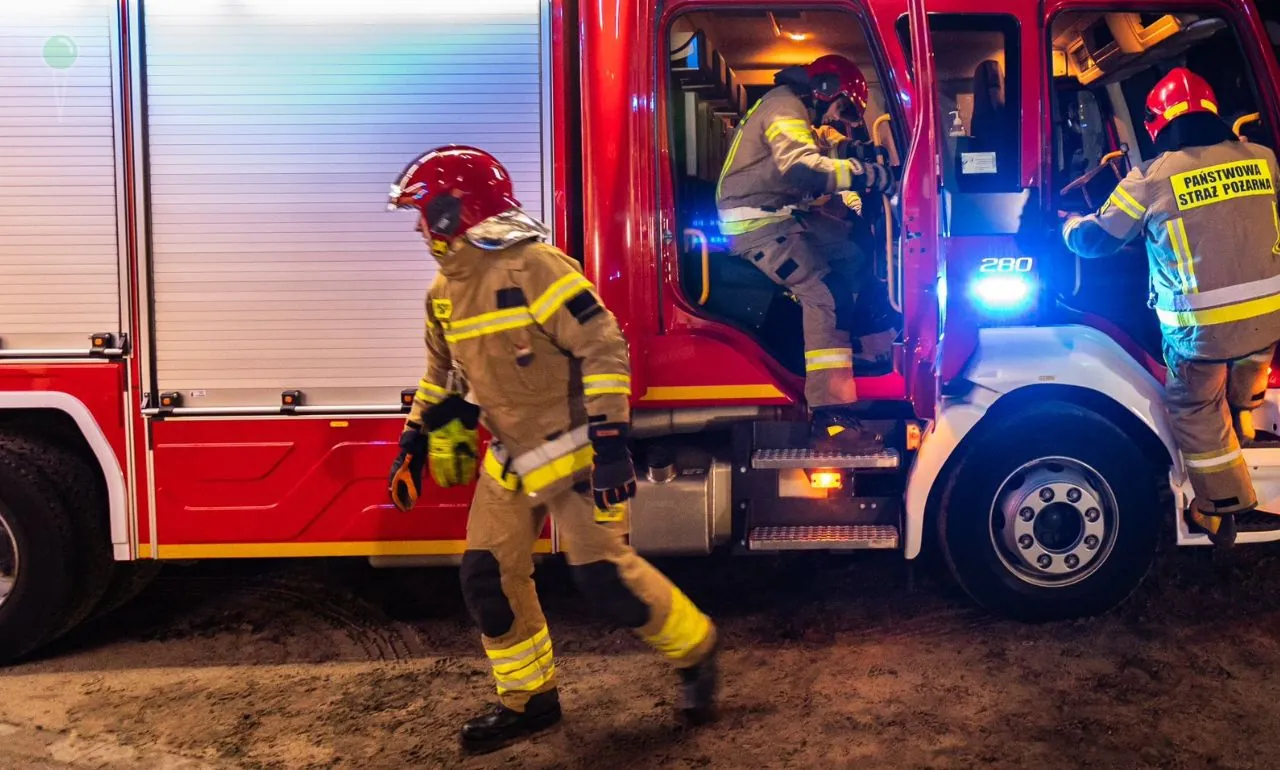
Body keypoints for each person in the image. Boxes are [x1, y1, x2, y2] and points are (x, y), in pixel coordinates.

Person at [384, 145, 718, 754]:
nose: (417, 225)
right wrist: (413, 437)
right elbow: (442, 377)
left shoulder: (535, 268)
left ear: (455, 211)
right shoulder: (443, 291)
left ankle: (698, 651)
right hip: (508, 461)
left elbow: (603, 347)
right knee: (487, 577)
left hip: (575, 456)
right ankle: (529, 700)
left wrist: (612, 438)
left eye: (423, 210)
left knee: (605, 583)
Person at [1062, 67, 1280, 548]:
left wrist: (1069, 224)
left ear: (1157, 124)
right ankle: (1245, 414)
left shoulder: (1151, 178)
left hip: (1202, 333)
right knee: (1249, 359)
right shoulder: (1264, 160)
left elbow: (1096, 242)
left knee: (1195, 404)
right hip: (1269, 322)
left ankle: (1220, 508)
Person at [716, 54, 894, 451]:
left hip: (779, 216)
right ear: (825, 89)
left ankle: (859, 344)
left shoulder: (791, 107)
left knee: (851, 252)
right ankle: (831, 418)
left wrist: (864, 156)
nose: (838, 116)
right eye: (842, 106)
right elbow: (803, 169)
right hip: (758, 228)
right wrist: (870, 176)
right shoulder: (785, 106)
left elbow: (820, 153)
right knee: (825, 291)